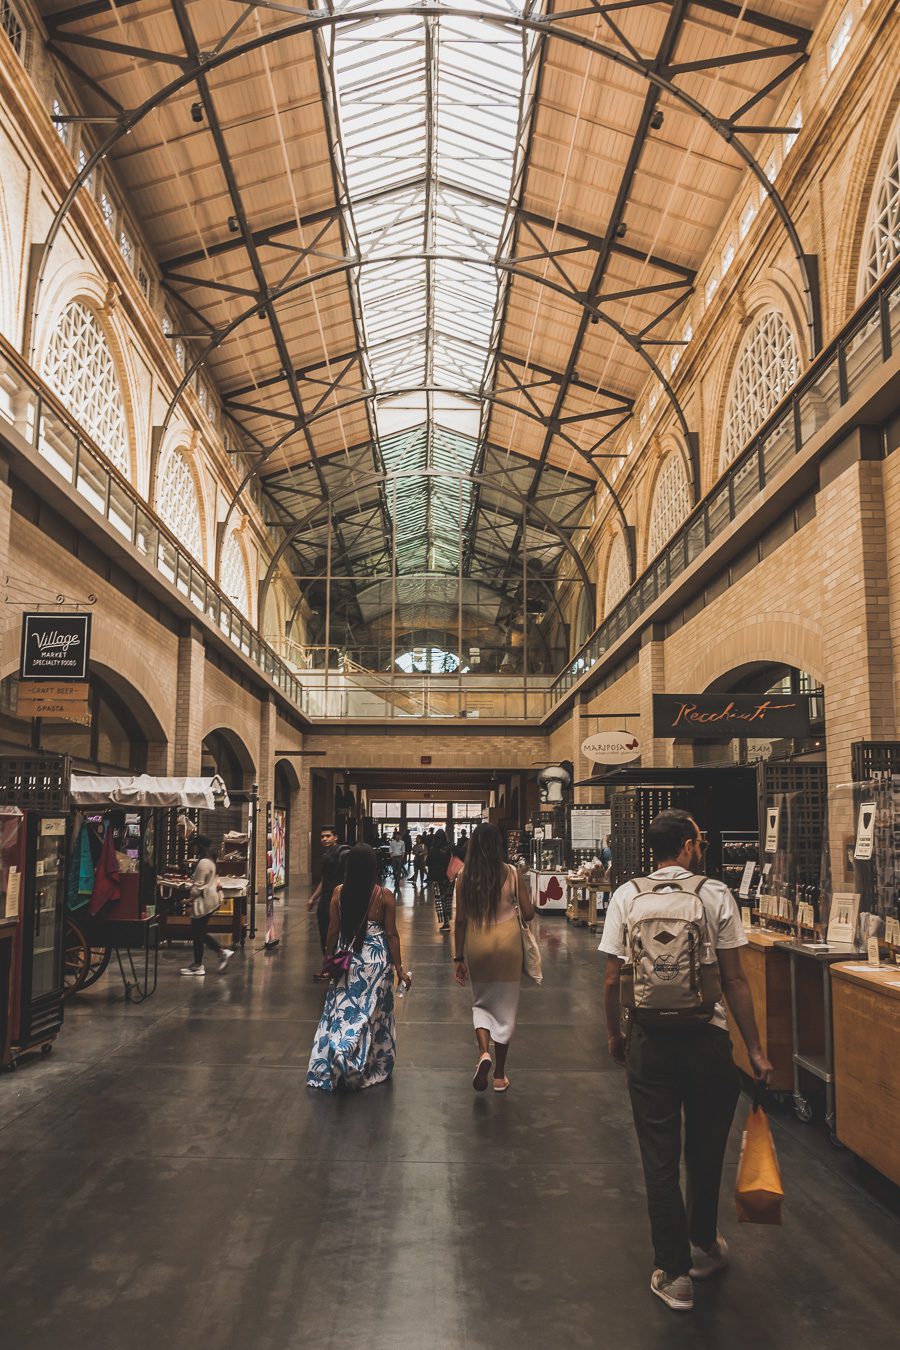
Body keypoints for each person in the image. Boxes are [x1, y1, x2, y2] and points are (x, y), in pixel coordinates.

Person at [599, 809, 773, 1313]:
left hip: (650, 1041)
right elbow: (736, 979)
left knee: (659, 1157)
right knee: (704, 1149)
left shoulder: (626, 895)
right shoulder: (715, 893)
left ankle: (674, 1273)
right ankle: (704, 1243)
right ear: (689, 846)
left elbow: (612, 979)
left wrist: (615, 1033)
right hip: (708, 1038)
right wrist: (756, 1048)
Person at [307, 843, 411, 1092]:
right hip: (376, 963)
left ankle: (339, 1052)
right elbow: (392, 935)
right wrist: (400, 969)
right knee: (372, 1016)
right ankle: (366, 1062)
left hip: (349, 960)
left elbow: (333, 930)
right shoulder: (384, 895)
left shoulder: (338, 893)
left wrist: (327, 957)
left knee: (344, 1011)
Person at [453, 822, 534, 1092]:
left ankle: (483, 1053)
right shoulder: (511, 872)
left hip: (478, 944)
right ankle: (499, 1075)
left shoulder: (464, 876)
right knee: (506, 1010)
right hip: (509, 945)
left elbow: (461, 920)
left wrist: (458, 958)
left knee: (481, 1004)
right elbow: (529, 912)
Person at [180, 836, 234, 976]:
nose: (193, 848)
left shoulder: (203, 863)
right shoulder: (212, 861)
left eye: (194, 845)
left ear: (199, 846)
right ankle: (220, 953)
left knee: (197, 933)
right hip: (213, 900)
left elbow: (197, 887)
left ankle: (199, 965)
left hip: (204, 902)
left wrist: (188, 901)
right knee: (200, 932)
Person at [307, 826, 347, 980]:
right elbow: (325, 880)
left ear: (335, 837)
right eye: (322, 836)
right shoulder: (328, 855)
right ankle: (332, 968)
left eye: (328, 836)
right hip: (326, 901)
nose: (324, 839)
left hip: (335, 901)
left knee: (332, 936)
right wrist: (313, 898)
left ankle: (332, 969)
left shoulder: (340, 855)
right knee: (327, 936)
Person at [428, 828, 453, 931]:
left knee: (440, 898)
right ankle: (448, 920)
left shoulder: (433, 849)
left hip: (437, 876)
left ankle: (445, 921)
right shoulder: (450, 848)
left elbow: (428, 862)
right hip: (449, 876)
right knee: (448, 898)